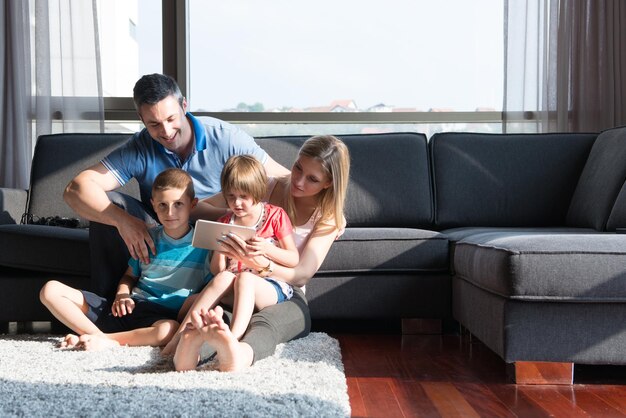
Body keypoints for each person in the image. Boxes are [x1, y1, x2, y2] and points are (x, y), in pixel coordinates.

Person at [63, 73, 289, 301]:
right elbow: (75, 189)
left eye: (171, 119)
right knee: (112, 205)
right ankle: (110, 307)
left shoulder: (226, 138)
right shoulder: (139, 148)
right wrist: (123, 221)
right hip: (163, 235)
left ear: (184, 105)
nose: (166, 132)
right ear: (142, 120)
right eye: (154, 124)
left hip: (217, 237)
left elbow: (282, 179)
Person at [167, 135, 350, 372]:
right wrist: (232, 223)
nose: (299, 181)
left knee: (264, 324)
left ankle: (238, 355)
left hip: (284, 292)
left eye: (312, 179)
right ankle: (186, 350)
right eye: (297, 168)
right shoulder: (263, 186)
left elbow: (302, 274)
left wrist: (260, 264)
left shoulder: (327, 218)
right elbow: (201, 208)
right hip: (237, 284)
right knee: (217, 319)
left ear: (328, 183)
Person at [39, 168, 211, 350]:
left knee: (168, 331)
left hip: (158, 319)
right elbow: (129, 277)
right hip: (128, 307)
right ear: (153, 205)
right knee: (50, 290)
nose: (169, 212)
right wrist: (122, 295)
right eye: (162, 205)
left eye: (178, 204)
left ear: (193, 204)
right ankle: (100, 337)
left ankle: (103, 340)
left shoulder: (204, 244)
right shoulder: (147, 236)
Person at [174, 156, 300, 370]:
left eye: (244, 196)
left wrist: (267, 249)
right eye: (231, 196)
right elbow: (219, 271)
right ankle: (178, 341)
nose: (237, 203)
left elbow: (293, 258)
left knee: (245, 279)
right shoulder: (225, 222)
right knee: (221, 280)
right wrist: (220, 251)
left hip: (268, 286)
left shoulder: (274, 215)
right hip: (234, 288)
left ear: (258, 191)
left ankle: (233, 338)